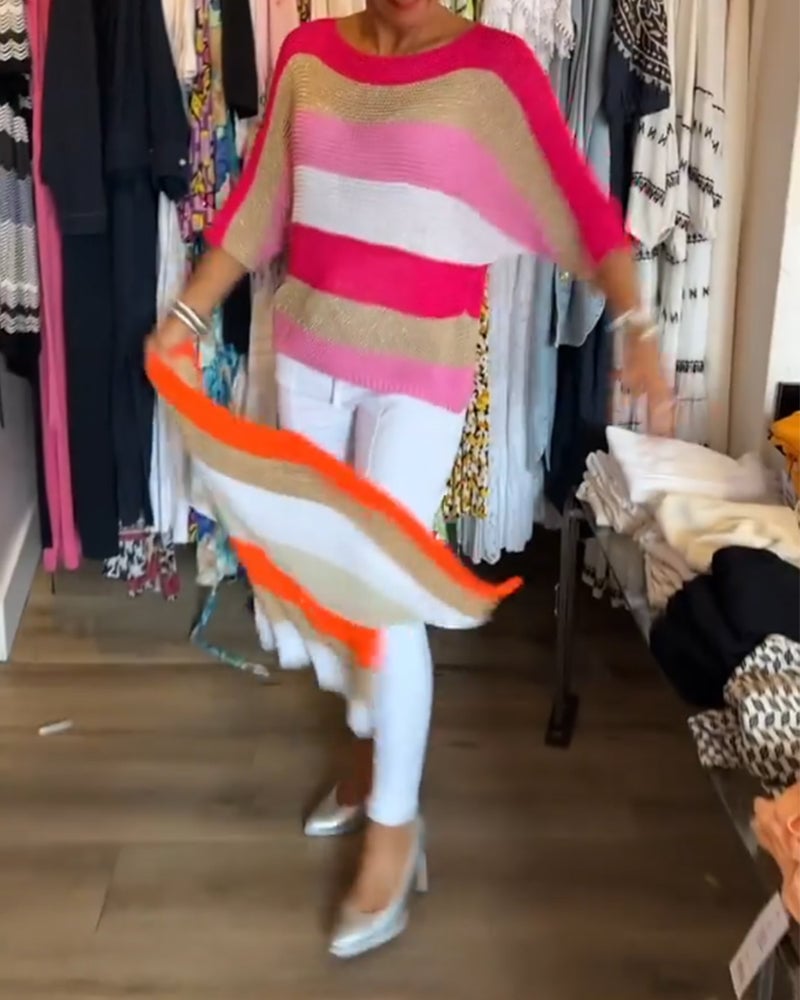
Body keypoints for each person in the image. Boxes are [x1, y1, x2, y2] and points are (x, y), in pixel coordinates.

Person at [149, 0, 674, 960]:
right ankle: (370, 749)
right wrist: (182, 320)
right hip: (310, 356)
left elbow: (576, 200)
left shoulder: (495, 68)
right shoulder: (308, 54)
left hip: (421, 373)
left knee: (383, 588)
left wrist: (637, 326)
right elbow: (259, 204)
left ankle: (397, 827)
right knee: (325, 585)